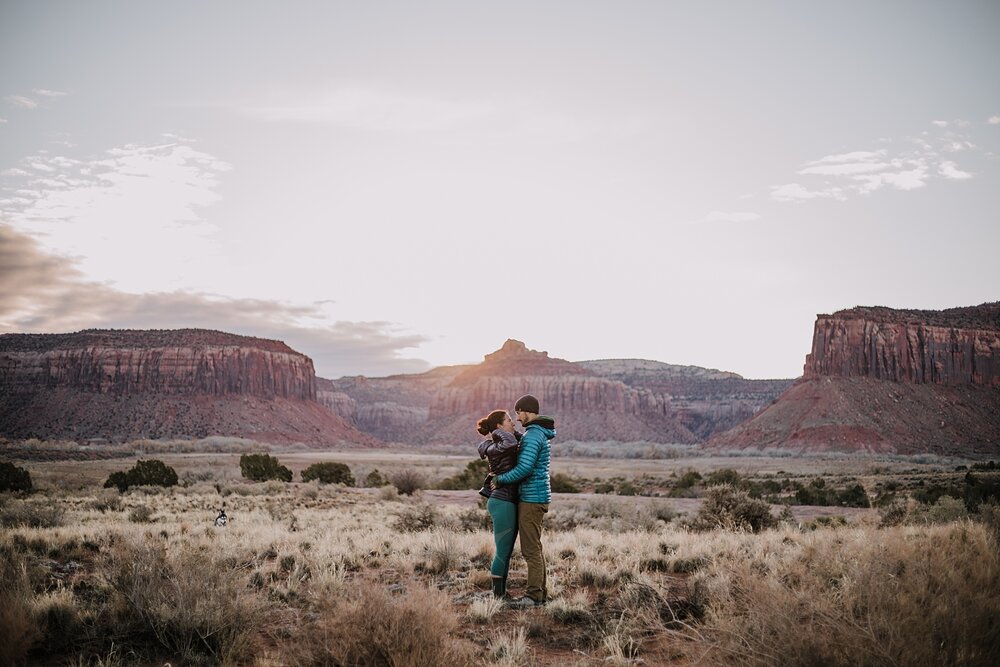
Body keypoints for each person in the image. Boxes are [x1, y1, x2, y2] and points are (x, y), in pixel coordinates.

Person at [493, 394, 556, 608]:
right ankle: (540, 595)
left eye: (518, 412)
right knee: (534, 548)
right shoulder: (535, 434)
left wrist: (500, 479)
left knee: (530, 550)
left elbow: (524, 468)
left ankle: (533, 597)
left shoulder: (533, 436)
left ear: (527, 411)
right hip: (536, 496)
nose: (517, 418)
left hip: (532, 498)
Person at [476, 409, 521, 599]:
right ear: (499, 426)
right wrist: (495, 431)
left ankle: (502, 593)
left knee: (507, 549)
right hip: (502, 502)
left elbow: (517, 438)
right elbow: (512, 441)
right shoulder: (497, 445)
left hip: (505, 501)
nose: (514, 423)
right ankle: (497, 595)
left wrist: (507, 430)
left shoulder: (500, 445)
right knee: (502, 551)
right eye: (509, 420)